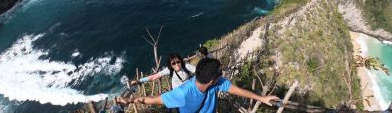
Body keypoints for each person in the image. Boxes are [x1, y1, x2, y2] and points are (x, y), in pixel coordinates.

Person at [118, 58, 279, 113]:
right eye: (220, 73)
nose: (222, 75)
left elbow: (236, 90)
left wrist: (262, 98)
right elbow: (152, 100)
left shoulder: (217, 82)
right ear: (212, 81)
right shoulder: (182, 93)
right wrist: (131, 101)